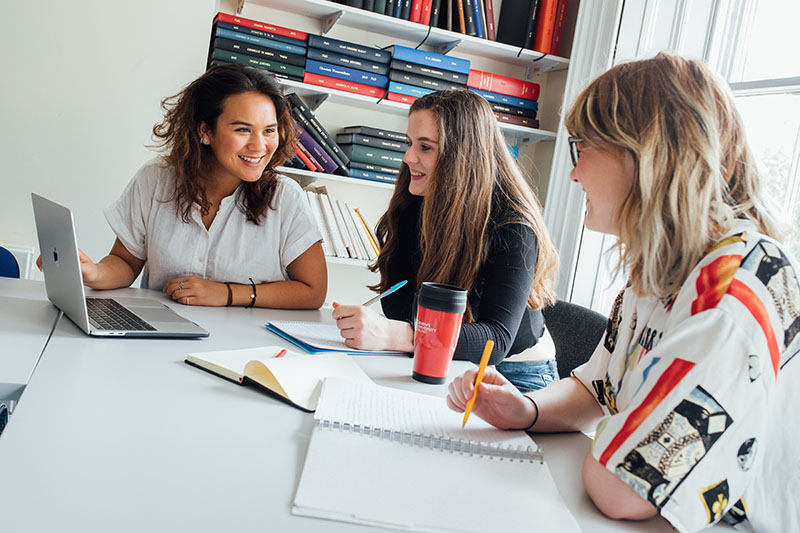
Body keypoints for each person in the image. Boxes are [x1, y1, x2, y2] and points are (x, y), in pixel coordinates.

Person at [447, 53, 799, 532]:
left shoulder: (733, 285)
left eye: (582, 148)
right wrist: (526, 410)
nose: (573, 174)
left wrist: (618, 440)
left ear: (646, 154)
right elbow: (597, 389)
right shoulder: (660, 267)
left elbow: (622, 488)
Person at [41, 64, 326, 309]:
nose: (259, 145)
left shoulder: (285, 197)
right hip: (160, 333)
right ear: (205, 131)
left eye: (269, 130)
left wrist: (227, 294)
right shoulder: (155, 180)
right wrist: (92, 273)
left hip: (247, 344)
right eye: (243, 129)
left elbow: (313, 291)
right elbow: (125, 263)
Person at [332, 89, 560, 391]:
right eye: (409, 143)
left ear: (463, 156)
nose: (408, 157)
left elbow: (495, 340)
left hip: (516, 374)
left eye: (425, 147)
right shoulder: (414, 204)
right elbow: (397, 303)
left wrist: (398, 335)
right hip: (443, 357)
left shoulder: (512, 226)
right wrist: (410, 333)